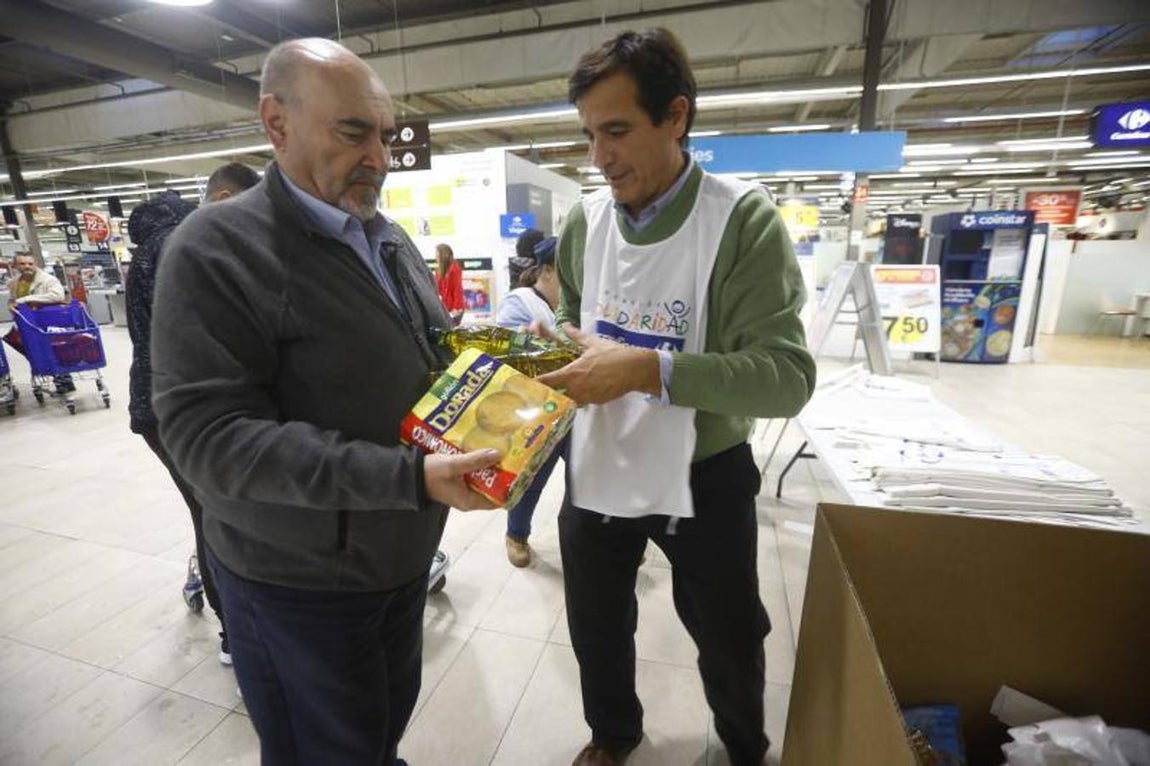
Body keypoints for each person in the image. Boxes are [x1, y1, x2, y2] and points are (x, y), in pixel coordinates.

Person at [149, 38, 500, 766]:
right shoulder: (216, 249)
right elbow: (209, 438)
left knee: (375, 733)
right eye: (354, 132)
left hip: (398, 556)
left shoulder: (388, 237)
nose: (380, 154)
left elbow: (424, 353)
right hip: (298, 587)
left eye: (385, 134)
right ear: (276, 124)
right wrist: (404, 478)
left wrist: (504, 371)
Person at [536, 29, 816, 766]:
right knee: (596, 620)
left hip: (704, 469)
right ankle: (614, 733)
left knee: (726, 631)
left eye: (618, 131)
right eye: (591, 134)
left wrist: (646, 370)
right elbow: (578, 322)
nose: (600, 157)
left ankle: (742, 745)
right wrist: (549, 350)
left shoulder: (739, 222)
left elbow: (786, 377)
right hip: (597, 459)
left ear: (677, 117)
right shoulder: (585, 220)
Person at [126, 176, 256, 667]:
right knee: (217, 518)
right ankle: (237, 638)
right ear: (223, 201)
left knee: (212, 513)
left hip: (159, 405)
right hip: (178, 409)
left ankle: (236, 627)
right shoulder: (183, 244)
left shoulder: (153, 249)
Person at [494, 235, 562, 567]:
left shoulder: (569, 305)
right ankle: (516, 535)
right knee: (532, 477)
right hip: (540, 411)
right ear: (547, 271)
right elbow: (504, 349)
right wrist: (530, 339)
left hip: (576, 409)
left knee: (585, 478)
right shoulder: (520, 301)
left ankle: (598, 538)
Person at [3, 251, 73, 392]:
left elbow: (57, 296)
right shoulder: (14, 283)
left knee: (52, 350)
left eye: (30, 263)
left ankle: (63, 379)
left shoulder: (48, 280)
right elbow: (12, 299)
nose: (27, 266)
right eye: (22, 264)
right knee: (19, 343)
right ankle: (43, 368)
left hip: (48, 322)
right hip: (26, 324)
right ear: (15, 266)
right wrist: (11, 305)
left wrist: (25, 300)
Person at [434, 242, 465, 326]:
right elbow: (438, 289)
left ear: (443, 255)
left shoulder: (454, 269)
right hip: (446, 308)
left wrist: (456, 307)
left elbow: (457, 289)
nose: (435, 256)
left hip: (455, 309)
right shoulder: (439, 270)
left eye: (437, 254)